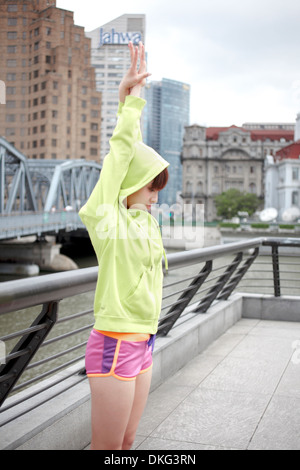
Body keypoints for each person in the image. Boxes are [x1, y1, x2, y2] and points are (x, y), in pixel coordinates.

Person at [79, 41, 169, 451]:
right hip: (114, 344)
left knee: (128, 441)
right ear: (133, 183)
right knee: (106, 446)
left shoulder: (145, 223)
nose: (155, 195)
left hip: (145, 341)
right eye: (152, 186)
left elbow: (129, 159)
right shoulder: (106, 218)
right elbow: (119, 156)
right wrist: (129, 103)